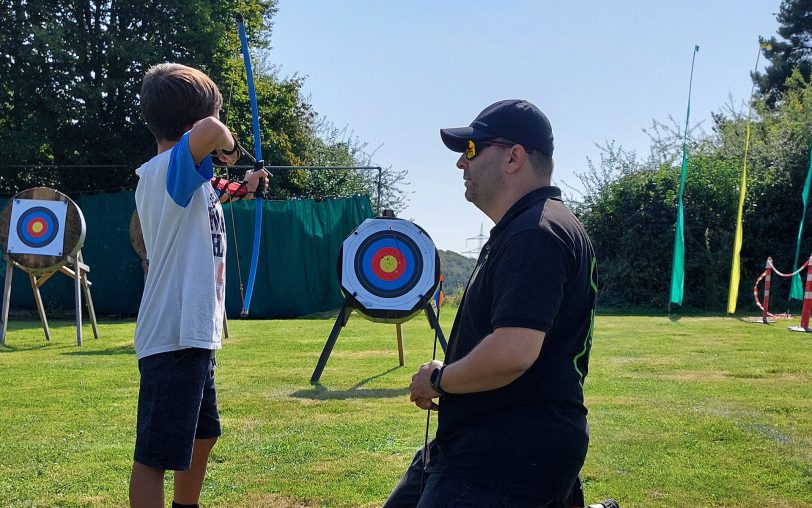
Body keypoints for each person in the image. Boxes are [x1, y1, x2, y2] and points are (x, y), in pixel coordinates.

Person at [384, 99, 598, 508]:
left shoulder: (536, 233)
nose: (461, 164)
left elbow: (512, 353)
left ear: (514, 157)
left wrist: (438, 380)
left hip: (505, 454)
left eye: (471, 150)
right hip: (482, 443)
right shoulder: (527, 227)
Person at [129, 63, 266, 508]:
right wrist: (230, 146)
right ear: (190, 127)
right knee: (154, 457)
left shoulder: (186, 178)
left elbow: (213, 192)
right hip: (173, 334)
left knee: (204, 435)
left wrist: (243, 184)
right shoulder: (163, 170)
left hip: (192, 333)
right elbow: (211, 129)